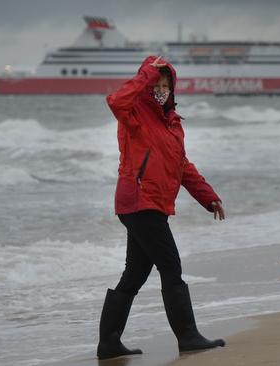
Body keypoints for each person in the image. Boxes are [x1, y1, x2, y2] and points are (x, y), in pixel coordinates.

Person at [96, 55, 226, 360]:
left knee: (135, 274)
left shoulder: (172, 125)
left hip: (151, 204)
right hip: (139, 201)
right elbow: (115, 101)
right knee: (171, 266)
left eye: (166, 85)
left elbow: (182, 166)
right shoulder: (134, 113)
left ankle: (109, 343)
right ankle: (188, 336)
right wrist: (146, 75)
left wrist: (209, 197)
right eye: (157, 84)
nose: (161, 90)